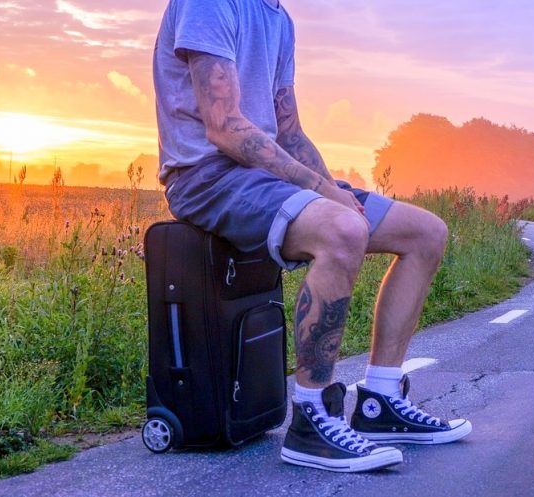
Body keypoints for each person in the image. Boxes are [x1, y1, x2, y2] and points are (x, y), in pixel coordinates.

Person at [152, 0, 472, 472]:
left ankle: (379, 401)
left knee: (426, 233)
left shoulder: (278, 17)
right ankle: (311, 418)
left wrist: (335, 190)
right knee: (342, 230)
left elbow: (289, 131)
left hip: (264, 175)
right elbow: (224, 128)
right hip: (207, 177)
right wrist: (324, 195)